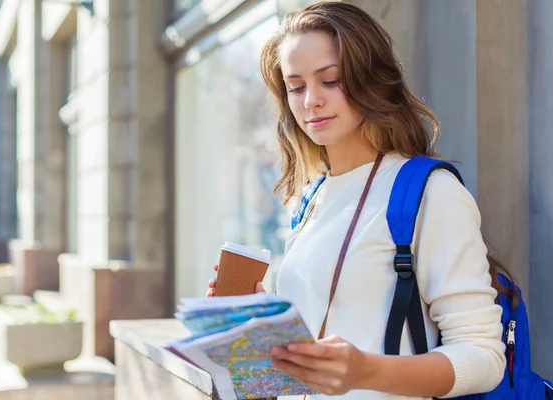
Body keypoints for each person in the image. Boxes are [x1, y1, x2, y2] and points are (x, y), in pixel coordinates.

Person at [207, 2, 506, 399]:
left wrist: (366, 370)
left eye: (330, 81)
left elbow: (484, 357)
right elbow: (326, 336)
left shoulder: (429, 193)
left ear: (372, 80)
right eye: (296, 86)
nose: (310, 100)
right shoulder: (311, 198)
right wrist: (262, 325)